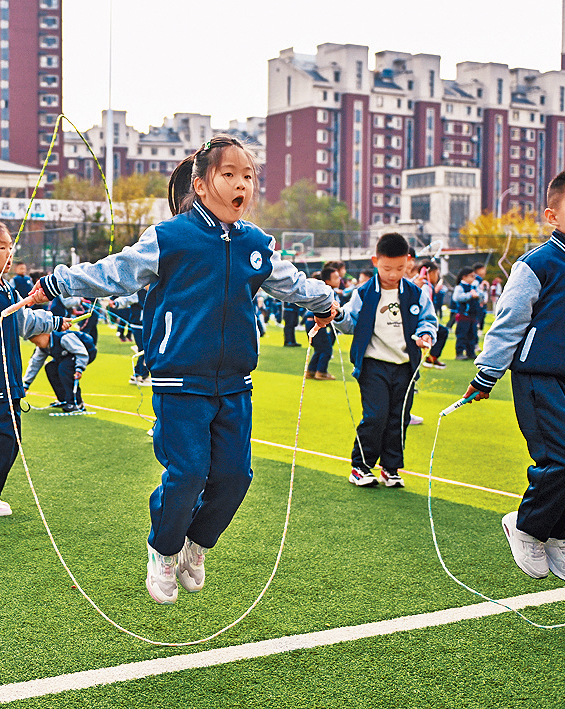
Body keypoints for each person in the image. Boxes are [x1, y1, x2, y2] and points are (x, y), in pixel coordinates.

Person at [28, 134, 336, 604]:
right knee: (188, 473)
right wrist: (55, 283)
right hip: (180, 383)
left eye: (249, 176)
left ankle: (196, 546)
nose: (241, 184)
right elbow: (116, 272)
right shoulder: (169, 237)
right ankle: (163, 549)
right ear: (201, 183)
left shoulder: (256, 243)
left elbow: (290, 284)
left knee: (236, 477)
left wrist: (327, 300)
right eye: (229, 174)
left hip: (235, 385)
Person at [462, 169, 565, 584]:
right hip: (539, 379)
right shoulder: (536, 264)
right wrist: (487, 374)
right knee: (564, 458)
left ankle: (559, 536)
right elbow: (509, 322)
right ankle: (526, 527)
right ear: (553, 215)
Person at [0, 219, 69, 517]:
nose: (9, 253)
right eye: (1, 247)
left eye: (10, 247)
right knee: (1, 439)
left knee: (10, 437)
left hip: (7, 381)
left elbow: (25, 319)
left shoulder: (5, 288)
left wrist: (56, 322)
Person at [334, 233, 437, 488]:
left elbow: (429, 320)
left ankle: (390, 468)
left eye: (400, 268)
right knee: (376, 416)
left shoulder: (416, 294)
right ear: (375, 262)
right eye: (387, 268)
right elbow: (351, 323)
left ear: (409, 263)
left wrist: (426, 334)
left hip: (406, 367)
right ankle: (360, 466)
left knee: (398, 418)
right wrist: (337, 315)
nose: (393, 274)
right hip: (373, 365)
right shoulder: (364, 293)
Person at [43, 327, 97, 412]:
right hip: (68, 355)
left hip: (86, 351)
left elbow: (81, 352)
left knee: (65, 368)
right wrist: (26, 385)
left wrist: (79, 368)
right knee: (50, 367)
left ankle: (77, 403)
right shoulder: (41, 345)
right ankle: (63, 400)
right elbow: (35, 364)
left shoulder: (64, 338)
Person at [306, 265, 340, 380]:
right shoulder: (327, 293)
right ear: (327, 281)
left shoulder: (327, 292)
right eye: (336, 278)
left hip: (310, 322)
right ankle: (321, 372)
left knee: (320, 349)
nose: (339, 280)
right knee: (327, 349)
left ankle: (310, 371)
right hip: (316, 323)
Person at [419, 260, 449, 370]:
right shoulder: (425, 286)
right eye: (436, 273)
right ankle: (431, 358)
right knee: (442, 332)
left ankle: (431, 357)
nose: (437, 277)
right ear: (430, 273)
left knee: (441, 331)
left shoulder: (429, 287)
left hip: (424, 320)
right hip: (421, 321)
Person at [452, 267, 479, 360]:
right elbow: (457, 298)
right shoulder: (460, 287)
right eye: (471, 276)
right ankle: (459, 353)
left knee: (472, 335)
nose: (473, 279)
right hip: (464, 315)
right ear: (464, 277)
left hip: (472, 315)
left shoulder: (473, 287)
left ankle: (470, 352)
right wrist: (470, 295)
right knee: (462, 335)